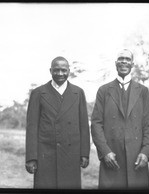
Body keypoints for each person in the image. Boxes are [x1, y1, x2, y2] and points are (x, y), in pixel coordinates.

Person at [91, 49, 149, 189]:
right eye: (121, 59)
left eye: (127, 59)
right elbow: (96, 124)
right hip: (112, 159)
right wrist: (105, 151)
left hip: (137, 159)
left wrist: (145, 152)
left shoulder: (143, 91)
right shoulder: (104, 91)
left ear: (132, 64)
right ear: (116, 64)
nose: (124, 62)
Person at [25, 56, 90, 189]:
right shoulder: (38, 93)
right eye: (56, 70)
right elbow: (32, 127)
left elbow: (84, 126)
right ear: (50, 71)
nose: (60, 74)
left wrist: (84, 153)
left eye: (63, 70)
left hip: (71, 154)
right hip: (46, 155)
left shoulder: (78, 93)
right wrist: (31, 157)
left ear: (69, 71)